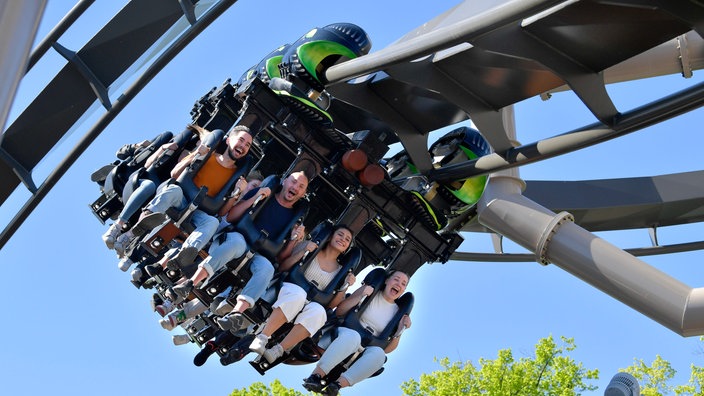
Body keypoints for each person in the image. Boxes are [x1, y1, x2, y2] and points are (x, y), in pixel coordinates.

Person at [168, 171, 309, 325]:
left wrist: (293, 240)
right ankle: (187, 286)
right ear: (285, 181)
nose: (296, 187)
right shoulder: (262, 193)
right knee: (236, 245)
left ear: (303, 194)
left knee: (267, 269)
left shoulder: (293, 221)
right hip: (237, 240)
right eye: (293, 181)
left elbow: (281, 260)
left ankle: (235, 314)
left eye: (301, 186)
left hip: (258, 255)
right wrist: (256, 197)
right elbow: (231, 217)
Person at [121, 124, 253, 273]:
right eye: (241, 140)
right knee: (173, 190)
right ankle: (136, 229)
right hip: (180, 197)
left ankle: (183, 255)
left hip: (199, 211)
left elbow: (222, 213)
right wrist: (195, 154)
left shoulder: (236, 177)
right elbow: (175, 174)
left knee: (213, 222)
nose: (243, 146)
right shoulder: (208, 155)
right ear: (228, 140)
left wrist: (236, 194)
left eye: (247, 145)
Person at [249, 225, 357, 363]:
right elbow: (284, 266)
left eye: (347, 239)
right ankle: (262, 337)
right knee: (299, 294)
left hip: (311, 303)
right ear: (330, 236)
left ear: (347, 248)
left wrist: (345, 287)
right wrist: (304, 251)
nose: (343, 239)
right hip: (290, 290)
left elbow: (332, 305)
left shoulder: (342, 272)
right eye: (340, 235)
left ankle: (278, 350)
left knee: (320, 312)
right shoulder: (311, 248)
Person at [302, 270, 412, 396]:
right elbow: (340, 311)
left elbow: (387, 349)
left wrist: (400, 330)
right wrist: (361, 295)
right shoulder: (370, 291)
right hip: (346, 334)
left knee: (379, 354)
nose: (399, 284)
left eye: (403, 284)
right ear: (387, 281)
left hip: (365, 348)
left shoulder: (398, 314)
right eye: (396, 279)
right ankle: (315, 376)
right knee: (353, 337)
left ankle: (336, 386)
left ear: (404, 290)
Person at [101, 128, 199, 263]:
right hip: (141, 181)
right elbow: (148, 164)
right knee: (149, 186)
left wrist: (190, 158)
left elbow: (176, 177)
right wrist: (163, 149)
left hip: (159, 194)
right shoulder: (169, 142)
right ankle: (117, 226)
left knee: (163, 214)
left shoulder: (192, 159)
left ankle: (128, 242)